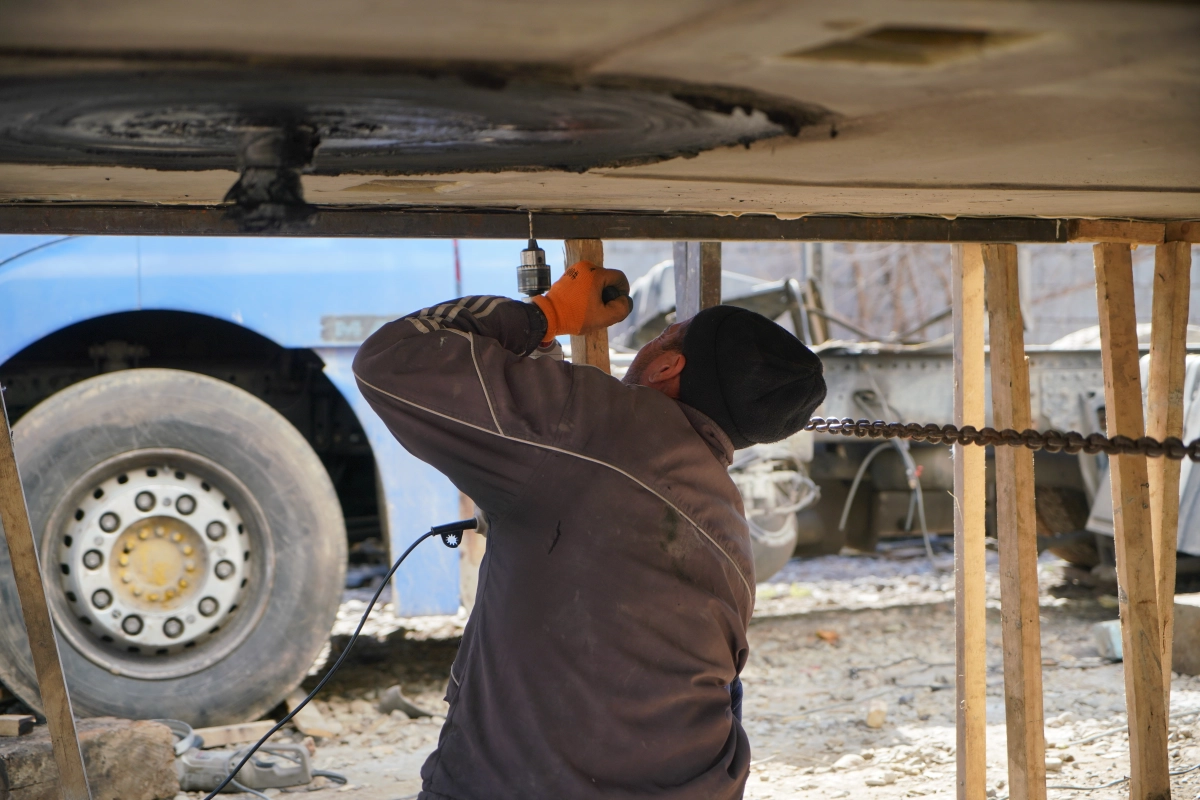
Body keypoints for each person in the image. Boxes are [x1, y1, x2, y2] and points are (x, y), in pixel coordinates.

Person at [353, 259, 826, 800]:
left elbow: (390, 360)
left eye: (664, 333)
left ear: (666, 367)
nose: (651, 340)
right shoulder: (728, 520)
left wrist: (544, 315)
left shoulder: (603, 426)